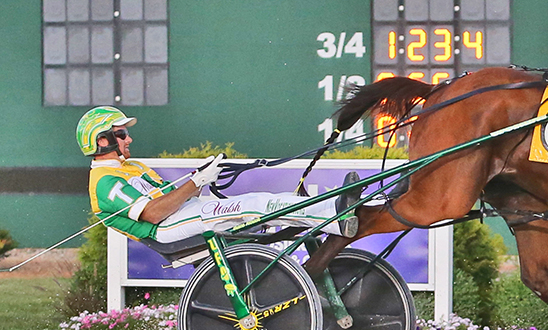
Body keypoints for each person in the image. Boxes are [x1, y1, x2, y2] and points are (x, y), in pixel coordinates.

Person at [77, 106, 358, 245]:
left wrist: (203, 176)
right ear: (102, 141)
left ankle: (337, 212)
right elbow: (153, 213)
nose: (129, 139)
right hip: (164, 229)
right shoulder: (105, 182)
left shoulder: (130, 167)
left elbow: (173, 197)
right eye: (122, 134)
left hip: (182, 213)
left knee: (258, 201)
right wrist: (195, 183)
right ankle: (335, 218)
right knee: (254, 205)